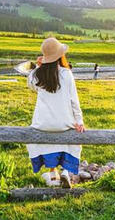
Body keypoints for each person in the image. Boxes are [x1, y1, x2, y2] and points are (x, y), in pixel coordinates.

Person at [26, 37, 85, 188]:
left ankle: (53, 176)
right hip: (64, 123)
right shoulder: (66, 74)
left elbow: (30, 85)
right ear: (60, 56)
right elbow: (74, 101)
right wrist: (79, 121)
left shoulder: (36, 75)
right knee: (73, 139)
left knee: (49, 145)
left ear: (45, 58)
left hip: (42, 124)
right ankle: (65, 171)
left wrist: (38, 67)